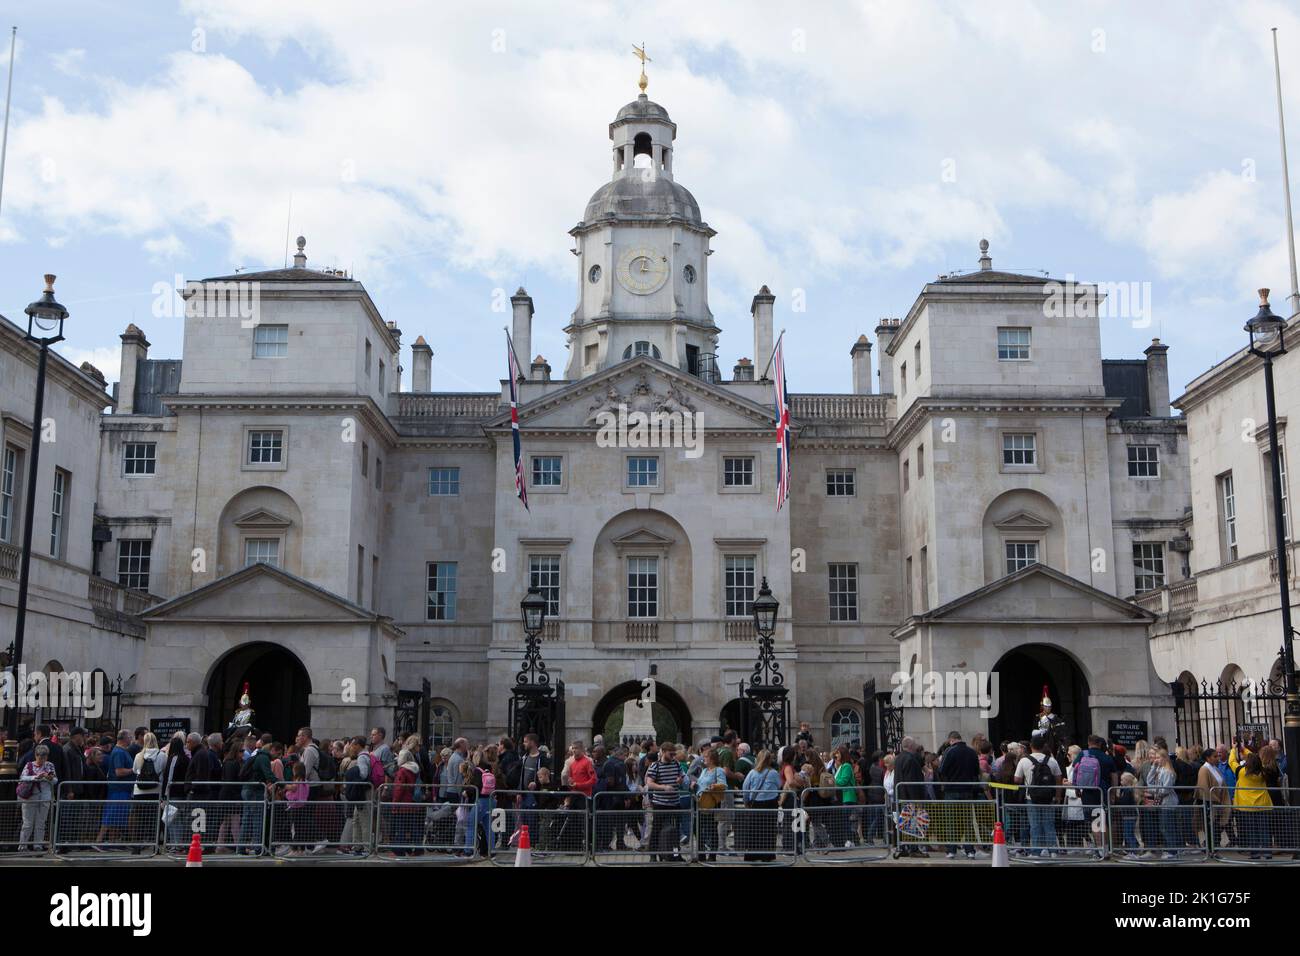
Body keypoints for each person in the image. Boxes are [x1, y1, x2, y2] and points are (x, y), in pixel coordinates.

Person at [1014, 731, 1062, 857]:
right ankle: (1052, 851)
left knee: (1034, 825)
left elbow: (1017, 779)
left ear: (1031, 746)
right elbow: (1058, 779)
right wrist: (1058, 796)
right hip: (1048, 797)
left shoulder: (1024, 761)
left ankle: (1036, 851)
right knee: (1049, 824)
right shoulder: (1051, 761)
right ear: (1044, 746)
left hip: (1032, 797)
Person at [936, 731, 983, 858]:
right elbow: (976, 772)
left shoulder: (949, 751)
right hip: (967, 790)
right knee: (967, 821)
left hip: (951, 790)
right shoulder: (972, 752)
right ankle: (969, 850)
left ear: (951, 740)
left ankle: (951, 850)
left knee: (951, 821)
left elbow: (941, 770)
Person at [644, 742, 684, 861]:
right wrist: (664, 787)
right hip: (660, 803)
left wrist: (680, 779)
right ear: (663, 751)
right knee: (656, 829)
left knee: (676, 831)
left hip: (675, 802)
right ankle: (653, 855)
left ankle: (676, 854)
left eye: (674, 753)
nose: (673, 756)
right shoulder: (655, 766)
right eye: (671, 753)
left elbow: (682, 776)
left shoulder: (676, 764)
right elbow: (649, 783)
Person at [740, 749, 782, 862]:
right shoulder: (773, 773)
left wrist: (746, 802)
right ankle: (767, 855)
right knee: (769, 830)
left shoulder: (752, 772)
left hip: (756, 803)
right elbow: (779, 785)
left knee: (754, 830)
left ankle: (752, 855)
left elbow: (745, 787)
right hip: (770, 803)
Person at [17, 744, 57, 852]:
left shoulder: (50, 765)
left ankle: (37, 845)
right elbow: (23, 777)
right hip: (30, 797)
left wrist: (49, 778)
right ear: (36, 755)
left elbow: (55, 781)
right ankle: (23, 846)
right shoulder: (29, 765)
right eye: (40, 757)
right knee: (27, 823)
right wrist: (36, 777)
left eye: (45, 757)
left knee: (41, 822)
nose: (42, 759)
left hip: (45, 797)